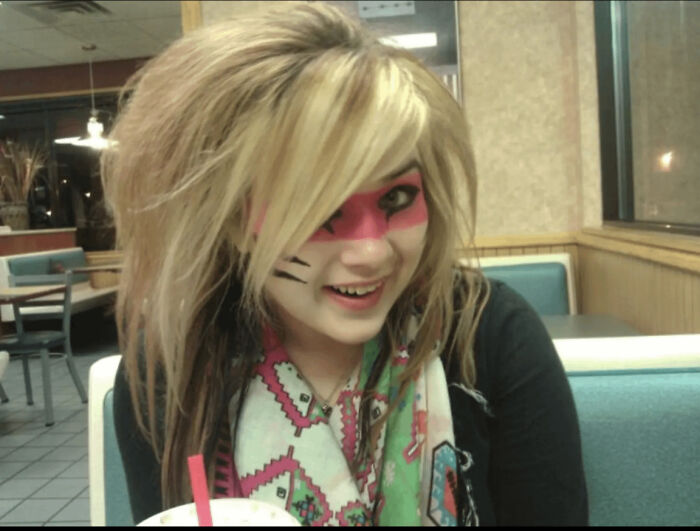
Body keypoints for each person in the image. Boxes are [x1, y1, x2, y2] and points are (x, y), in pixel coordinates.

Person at [103, 2, 588, 526]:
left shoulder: (488, 336)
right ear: (234, 221)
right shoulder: (172, 369)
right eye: (321, 209)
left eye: (398, 198)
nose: (373, 252)